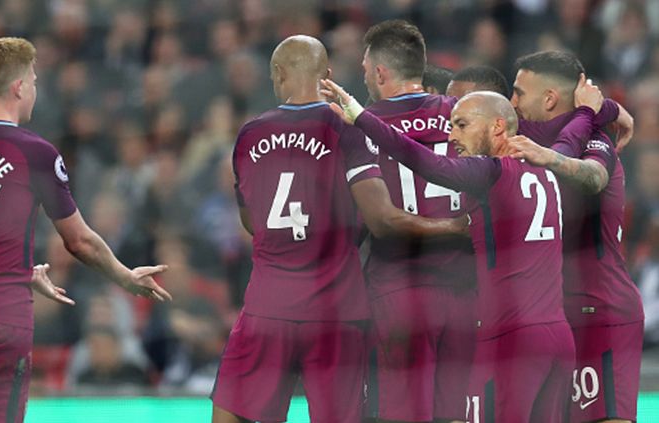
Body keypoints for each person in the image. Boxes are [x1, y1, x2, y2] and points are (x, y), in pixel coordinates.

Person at [211, 35, 467, 423]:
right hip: (336, 308)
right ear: (327, 74)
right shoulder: (347, 126)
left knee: (233, 413)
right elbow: (380, 219)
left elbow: (251, 221)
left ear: (278, 73)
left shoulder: (250, 134)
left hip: (268, 305)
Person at [322, 79, 598, 422]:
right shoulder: (551, 163)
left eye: (462, 125)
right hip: (558, 337)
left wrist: (360, 116)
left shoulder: (491, 173)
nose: (452, 136)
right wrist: (589, 110)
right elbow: (571, 138)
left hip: (510, 341)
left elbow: (427, 163)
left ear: (498, 126)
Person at [0, 36, 172, 423]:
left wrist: (20, 270)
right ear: (18, 87)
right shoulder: (33, 151)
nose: (35, 90)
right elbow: (79, 241)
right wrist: (125, 277)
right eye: (34, 81)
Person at [509, 50, 643, 423]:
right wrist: (608, 108)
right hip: (556, 316)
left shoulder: (595, 141)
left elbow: (593, 175)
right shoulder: (536, 134)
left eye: (519, 92)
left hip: (601, 310)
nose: (512, 102)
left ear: (549, 99)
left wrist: (600, 113)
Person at [358, 20, 476, 423]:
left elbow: (363, 221)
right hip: (464, 288)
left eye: (365, 68)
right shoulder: (462, 114)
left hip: (399, 291)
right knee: (456, 414)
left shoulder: (361, 126)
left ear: (380, 72)